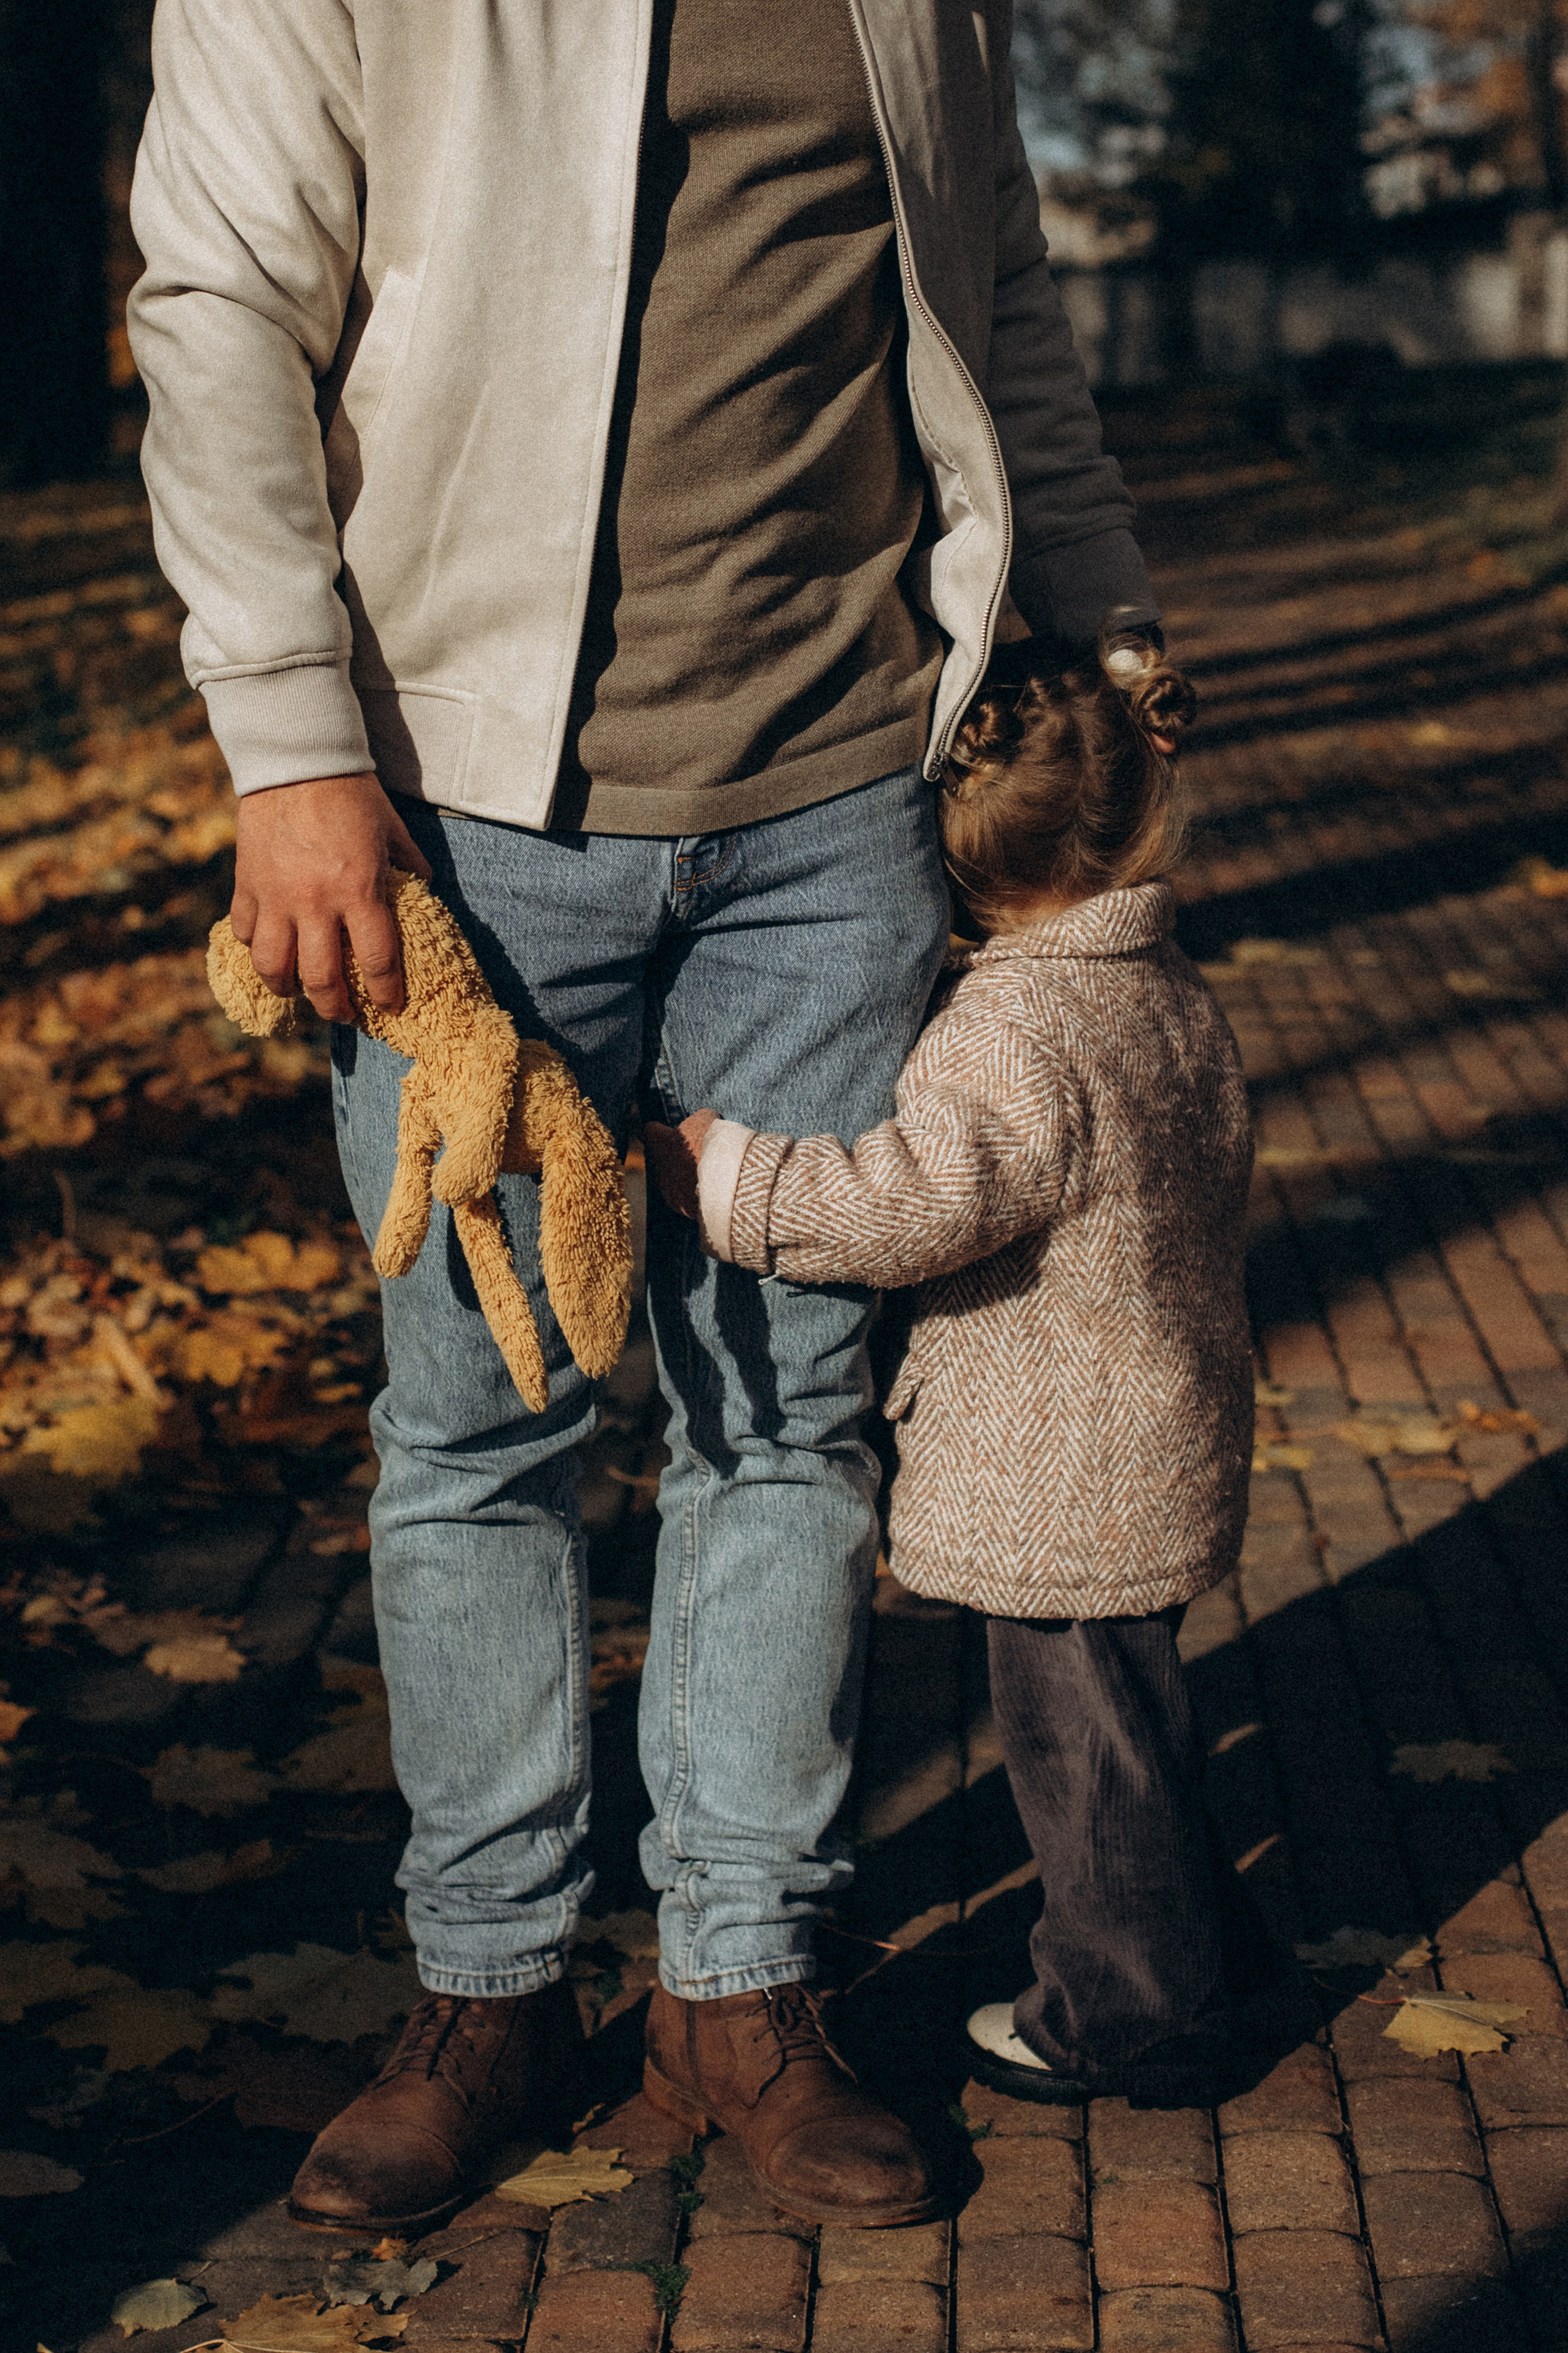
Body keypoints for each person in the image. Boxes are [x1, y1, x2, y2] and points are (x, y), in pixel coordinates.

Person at [127, 0, 1163, 2228]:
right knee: (474, 1427)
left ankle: (737, 1983)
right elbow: (217, 306)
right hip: (457, 818)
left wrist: (1115, 651)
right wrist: (288, 749)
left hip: (847, 804)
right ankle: (488, 1985)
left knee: (787, 1421)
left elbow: (1002, 308)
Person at [647, 634, 1297, 2104]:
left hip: (1063, 1464)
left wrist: (728, 1173)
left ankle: (1120, 2012)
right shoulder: (1161, 985)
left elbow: (912, 1203)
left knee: (1080, 1758)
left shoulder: (1010, 1023)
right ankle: (1216, 1955)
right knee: (1138, 1723)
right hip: (1160, 1422)